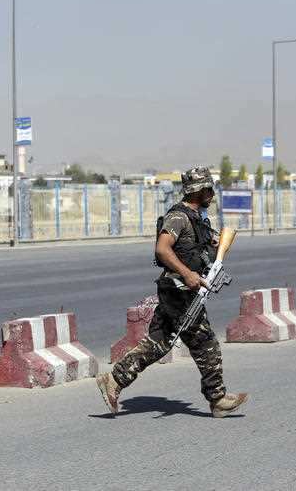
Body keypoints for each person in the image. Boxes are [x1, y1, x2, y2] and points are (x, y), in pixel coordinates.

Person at [96, 166, 248, 418]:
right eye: (208, 189)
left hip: (185, 292)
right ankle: (217, 398)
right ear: (198, 191)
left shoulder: (197, 217)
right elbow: (162, 249)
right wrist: (188, 274)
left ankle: (113, 380)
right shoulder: (178, 217)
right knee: (205, 343)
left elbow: (199, 246)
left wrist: (213, 244)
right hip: (179, 291)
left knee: (159, 342)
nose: (212, 194)